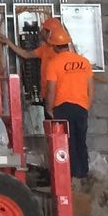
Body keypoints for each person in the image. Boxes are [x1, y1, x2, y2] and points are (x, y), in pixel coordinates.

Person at [37, 16, 94, 186]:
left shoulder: (54, 64)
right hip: (82, 107)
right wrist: (87, 104)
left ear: (54, 46)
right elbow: (91, 87)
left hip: (61, 108)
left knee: (64, 143)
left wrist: (49, 109)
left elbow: (51, 89)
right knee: (80, 140)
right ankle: (82, 174)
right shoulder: (84, 62)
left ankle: (67, 177)